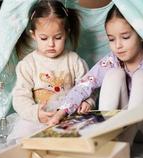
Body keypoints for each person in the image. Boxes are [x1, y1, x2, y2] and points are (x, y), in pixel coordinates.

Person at [48, 5, 143, 145]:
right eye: (111, 39)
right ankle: (107, 134)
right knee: (114, 74)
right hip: (118, 130)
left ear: (141, 35)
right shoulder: (111, 60)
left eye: (125, 37)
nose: (118, 45)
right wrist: (61, 112)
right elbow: (84, 85)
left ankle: (124, 145)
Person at [6, 0, 95, 144]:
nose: (51, 44)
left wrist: (87, 102)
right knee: (25, 136)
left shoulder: (74, 61)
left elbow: (87, 87)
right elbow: (20, 97)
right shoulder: (28, 64)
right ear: (33, 35)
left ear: (66, 33)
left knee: (87, 135)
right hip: (39, 117)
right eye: (44, 38)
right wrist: (36, 113)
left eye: (58, 37)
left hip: (68, 116)